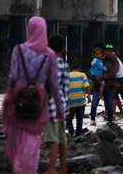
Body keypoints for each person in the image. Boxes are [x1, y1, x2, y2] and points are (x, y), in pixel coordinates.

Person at [1, 16, 63, 174]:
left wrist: (8, 99)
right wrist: (59, 107)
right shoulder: (49, 55)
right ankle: (29, 169)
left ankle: (18, 168)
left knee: (17, 136)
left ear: (29, 30)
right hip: (39, 100)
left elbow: (13, 77)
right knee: (34, 139)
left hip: (18, 96)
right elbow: (54, 84)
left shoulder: (18, 50)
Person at [44, 34, 69, 174]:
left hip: (51, 106)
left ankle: (51, 169)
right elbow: (66, 87)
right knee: (62, 139)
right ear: (62, 48)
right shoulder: (64, 64)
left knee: (52, 138)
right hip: (62, 105)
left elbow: (48, 84)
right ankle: (63, 168)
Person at [66, 66, 91, 137]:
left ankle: (71, 133)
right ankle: (78, 135)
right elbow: (87, 86)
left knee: (68, 119)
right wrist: (89, 96)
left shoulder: (67, 76)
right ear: (79, 69)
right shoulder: (82, 75)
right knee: (79, 120)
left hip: (70, 102)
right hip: (81, 101)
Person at [102, 44, 120, 124]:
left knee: (112, 98)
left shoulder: (115, 59)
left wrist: (106, 76)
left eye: (110, 50)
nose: (108, 52)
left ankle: (112, 114)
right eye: (107, 50)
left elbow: (115, 71)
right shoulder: (103, 59)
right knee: (107, 99)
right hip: (105, 83)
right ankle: (108, 113)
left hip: (113, 82)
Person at [89, 44, 106, 126]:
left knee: (102, 84)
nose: (99, 55)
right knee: (94, 104)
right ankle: (92, 119)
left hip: (99, 78)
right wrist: (104, 68)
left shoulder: (101, 60)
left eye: (100, 54)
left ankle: (100, 95)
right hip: (95, 77)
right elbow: (100, 67)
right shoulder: (96, 61)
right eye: (97, 54)